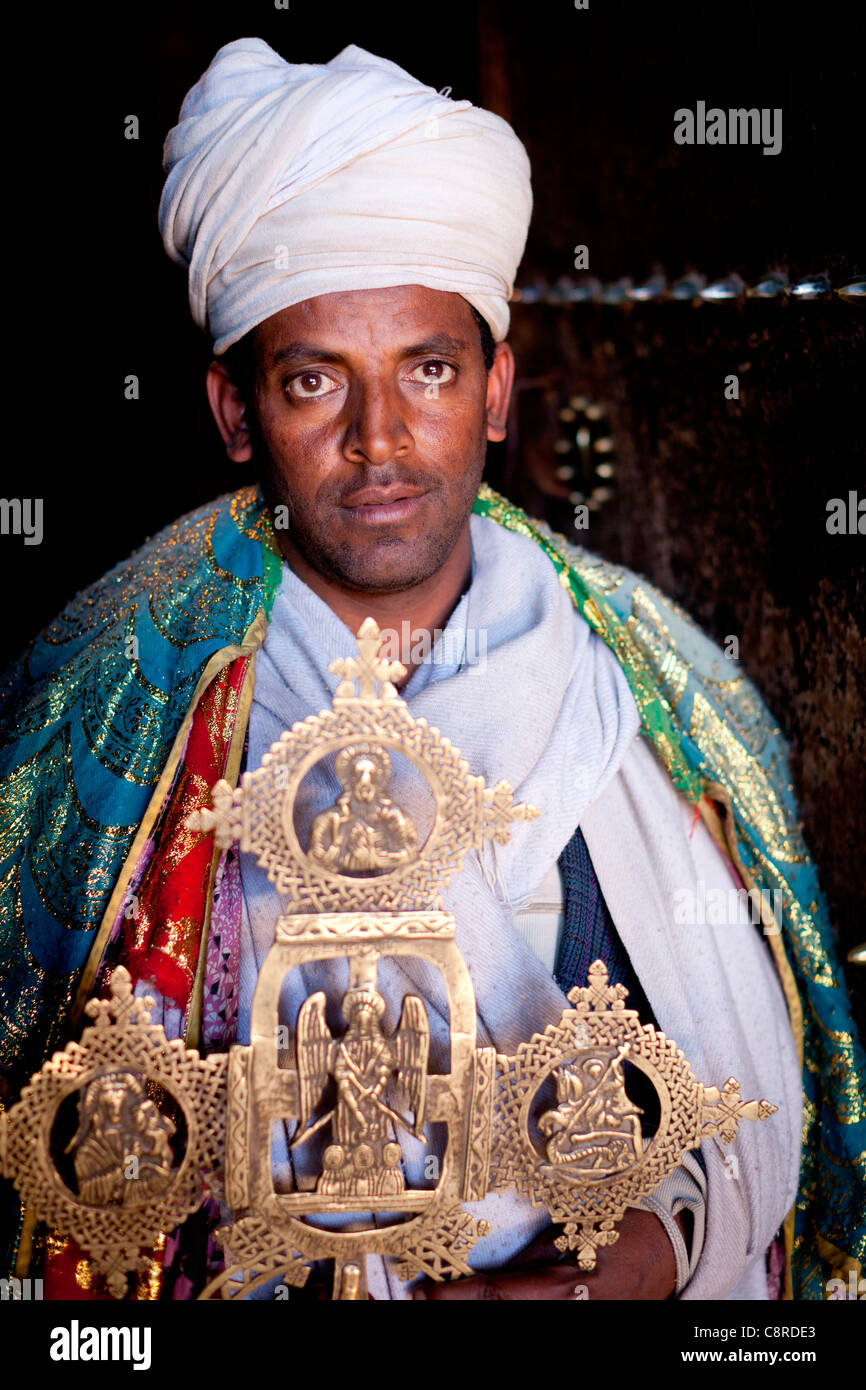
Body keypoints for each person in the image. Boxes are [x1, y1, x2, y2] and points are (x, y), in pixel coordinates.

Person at [0, 38, 862, 1303]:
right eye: (312, 384)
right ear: (237, 415)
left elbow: (749, 1110)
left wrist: (627, 1266)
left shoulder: (657, 689)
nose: (380, 440)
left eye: (428, 371)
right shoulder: (108, 704)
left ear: (497, 391)